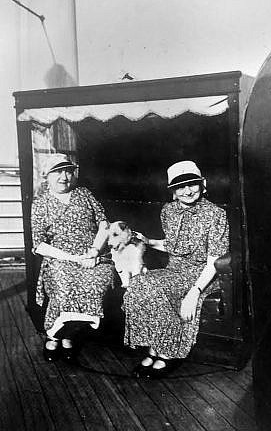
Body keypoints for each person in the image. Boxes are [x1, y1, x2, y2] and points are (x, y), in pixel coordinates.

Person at [123, 160, 229, 378]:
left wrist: (195, 292)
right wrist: (149, 241)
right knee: (139, 284)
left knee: (154, 286)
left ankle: (167, 353)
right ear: (172, 190)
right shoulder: (168, 211)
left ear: (203, 184)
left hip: (202, 275)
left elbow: (214, 260)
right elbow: (173, 245)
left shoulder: (216, 214)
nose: (187, 191)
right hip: (174, 271)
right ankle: (154, 346)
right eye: (180, 186)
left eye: (192, 184)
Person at [31, 153, 113, 362]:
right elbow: (39, 244)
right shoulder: (41, 204)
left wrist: (94, 250)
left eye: (67, 171)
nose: (64, 177)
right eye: (57, 172)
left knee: (97, 280)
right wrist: (72, 258)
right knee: (63, 282)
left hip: (92, 254)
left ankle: (68, 335)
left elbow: (104, 223)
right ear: (45, 176)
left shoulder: (84, 194)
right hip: (60, 257)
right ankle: (54, 336)